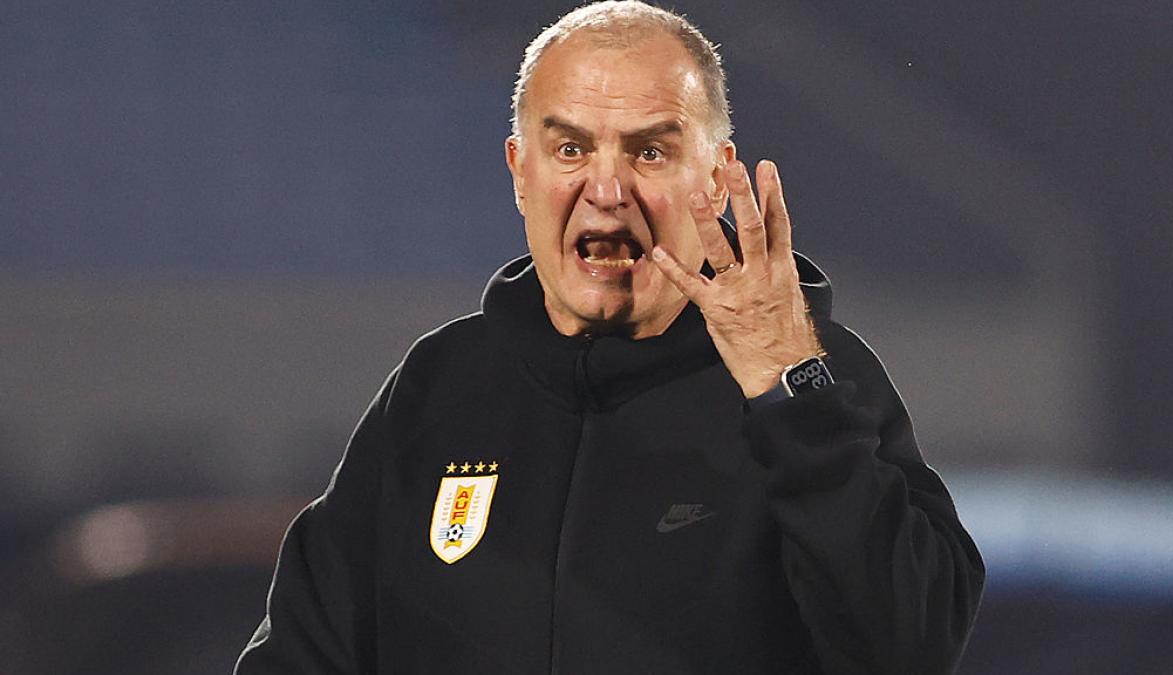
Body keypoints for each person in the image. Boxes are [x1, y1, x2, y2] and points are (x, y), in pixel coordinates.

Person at [235, 2, 985, 673]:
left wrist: (789, 390)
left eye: (649, 152)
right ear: (519, 170)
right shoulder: (439, 387)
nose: (606, 189)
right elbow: (303, 650)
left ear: (715, 178)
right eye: (570, 149)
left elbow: (909, 648)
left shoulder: (815, 376)